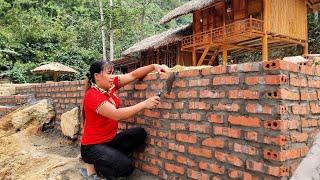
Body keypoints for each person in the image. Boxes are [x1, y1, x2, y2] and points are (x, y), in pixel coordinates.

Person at [80, 60, 166, 179]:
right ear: (97, 76)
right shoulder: (92, 95)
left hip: (109, 141)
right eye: (109, 73)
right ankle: (99, 170)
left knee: (139, 133)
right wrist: (144, 104)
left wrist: (154, 66)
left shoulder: (110, 86)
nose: (112, 76)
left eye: (113, 73)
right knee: (126, 167)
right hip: (92, 148)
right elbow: (116, 114)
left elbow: (133, 75)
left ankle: (109, 159)